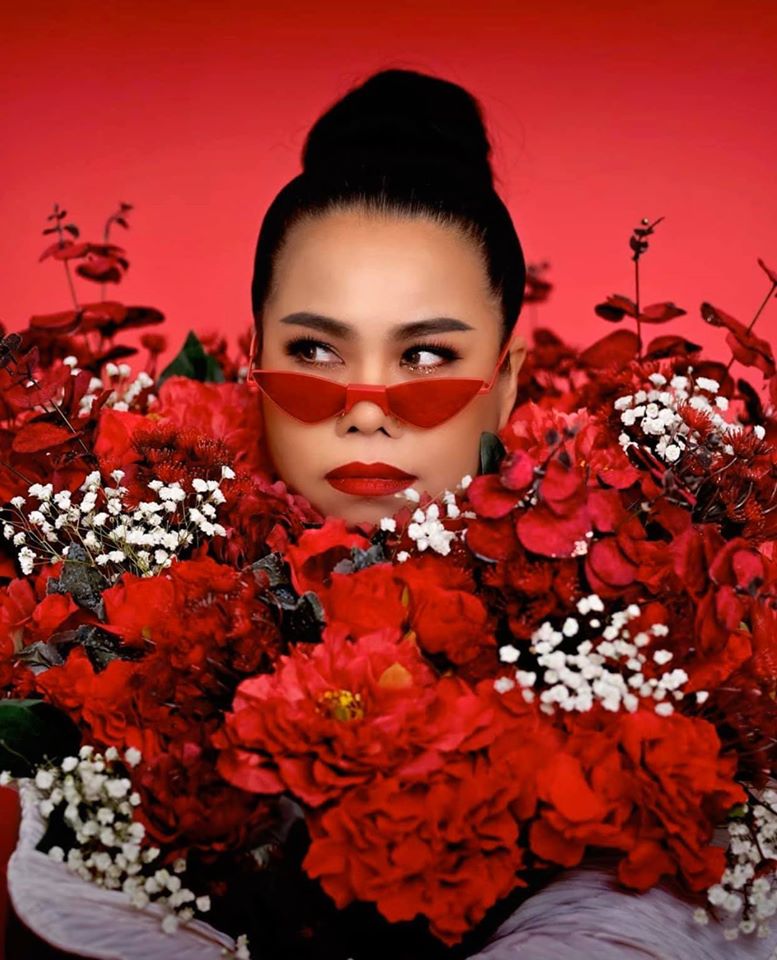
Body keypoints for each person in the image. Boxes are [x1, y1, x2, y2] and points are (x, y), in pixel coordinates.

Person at [3, 65, 777, 960]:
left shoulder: (630, 613)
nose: (365, 411)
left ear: (508, 383)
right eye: (314, 350)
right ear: (252, 362)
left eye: (425, 357)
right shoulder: (118, 580)